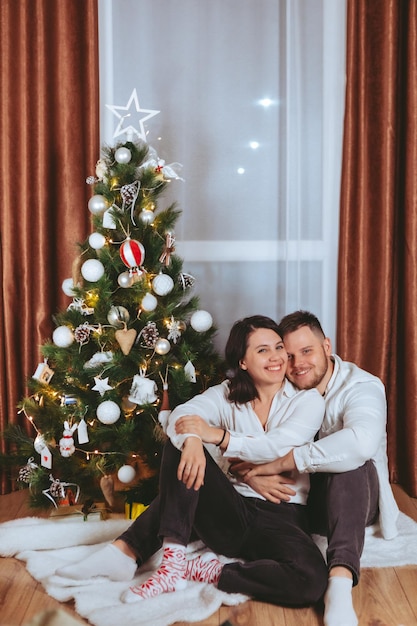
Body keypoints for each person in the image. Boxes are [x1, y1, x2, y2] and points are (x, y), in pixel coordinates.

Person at [57, 315, 328, 608]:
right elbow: (181, 416)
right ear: (243, 362)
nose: (276, 357)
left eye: (278, 348)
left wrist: (216, 436)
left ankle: (197, 568)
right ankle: (170, 564)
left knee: (310, 580)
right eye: (263, 350)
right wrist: (194, 440)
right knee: (181, 443)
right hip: (230, 512)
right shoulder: (227, 394)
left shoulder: (307, 400)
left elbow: (278, 446)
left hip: (283, 516)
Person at [231, 310, 399, 626]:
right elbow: (237, 442)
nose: (297, 365)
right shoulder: (278, 385)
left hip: (357, 496)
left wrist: (283, 462)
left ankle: (339, 582)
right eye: (289, 355)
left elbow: (361, 444)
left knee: (349, 462)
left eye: (306, 351)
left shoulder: (362, 386)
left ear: (326, 346)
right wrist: (251, 476)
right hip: (298, 503)